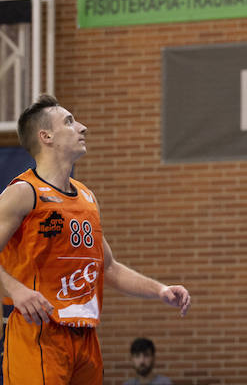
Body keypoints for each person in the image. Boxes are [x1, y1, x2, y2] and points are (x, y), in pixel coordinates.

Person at [0, 95, 191, 383]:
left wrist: (160, 290)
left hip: (86, 337)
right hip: (39, 332)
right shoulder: (24, 192)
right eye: (69, 121)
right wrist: (16, 290)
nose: (82, 127)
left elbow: (109, 267)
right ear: (46, 136)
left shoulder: (87, 198)